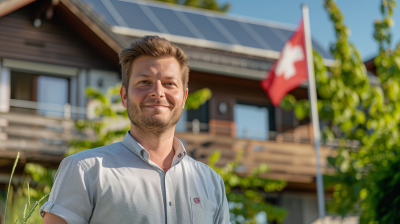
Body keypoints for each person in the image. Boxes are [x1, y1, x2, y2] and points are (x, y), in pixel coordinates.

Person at [40, 35, 230, 224]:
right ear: (124, 96)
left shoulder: (211, 182)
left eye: (169, 84)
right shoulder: (84, 170)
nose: (157, 92)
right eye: (144, 82)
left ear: (184, 98)